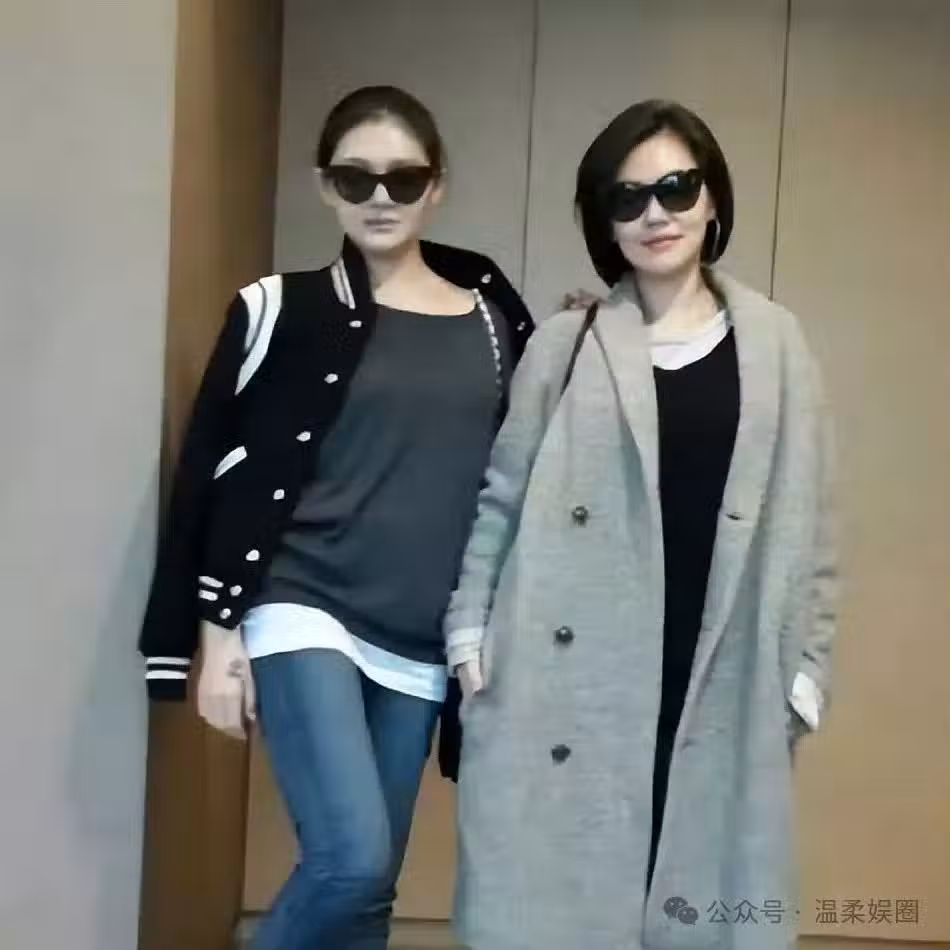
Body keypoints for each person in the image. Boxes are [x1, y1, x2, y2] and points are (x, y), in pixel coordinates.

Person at [138, 85, 533, 950]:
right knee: (350, 860)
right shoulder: (280, 309)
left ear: (437, 186)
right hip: (304, 601)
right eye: (355, 178)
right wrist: (214, 635)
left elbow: (531, 461)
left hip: (422, 632)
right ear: (325, 186)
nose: (380, 197)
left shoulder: (495, 321)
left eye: (404, 178)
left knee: (369, 892)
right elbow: (213, 472)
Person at [445, 99, 837, 950]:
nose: (655, 214)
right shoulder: (565, 342)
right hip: (573, 673)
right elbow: (502, 496)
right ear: (605, 221)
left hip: (720, 660)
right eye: (628, 198)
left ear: (712, 198)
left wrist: (808, 669)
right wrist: (470, 632)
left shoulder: (776, 344)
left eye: (676, 188)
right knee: (561, 902)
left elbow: (813, 521)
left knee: (701, 893)